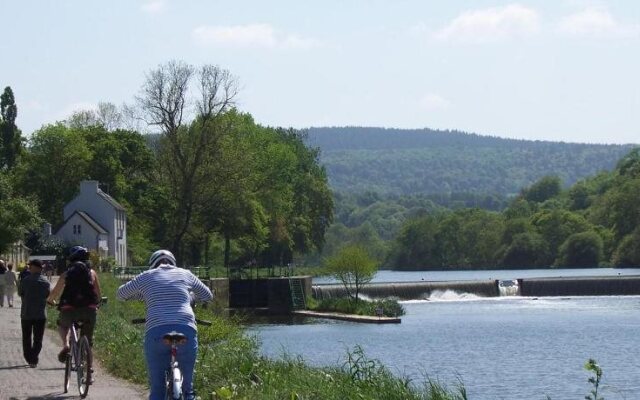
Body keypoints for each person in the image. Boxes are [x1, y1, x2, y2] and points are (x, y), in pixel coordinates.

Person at [116, 250, 213, 400]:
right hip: (185, 328)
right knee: (188, 387)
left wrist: (143, 295)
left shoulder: (146, 276)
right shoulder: (185, 274)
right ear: (173, 263)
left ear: (152, 265)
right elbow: (208, 295)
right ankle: (188, 394)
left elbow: (121, 294)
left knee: (157, 388)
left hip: (157, 331)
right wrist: (191, 297)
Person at [47, 246, 102, 363]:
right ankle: (89, 369)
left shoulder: (66, 274)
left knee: (63, 325)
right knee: (88, 337)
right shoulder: (92, 273)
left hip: (69, 309)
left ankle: (66, 345)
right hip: (89, 309)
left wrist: (51, 301)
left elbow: (55, 292)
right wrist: (98, 303)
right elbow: (98, 294)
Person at [17, 259, 51, 367]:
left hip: (26, 313)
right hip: (40, 314)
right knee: (38, 339)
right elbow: (47, 295)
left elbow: (20, 293)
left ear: (34, 267)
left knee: (26, 338)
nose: (29, 268)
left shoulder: (25, 280)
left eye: (30, 266)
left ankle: (29, 358)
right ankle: (33, 358)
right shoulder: (45, 282)